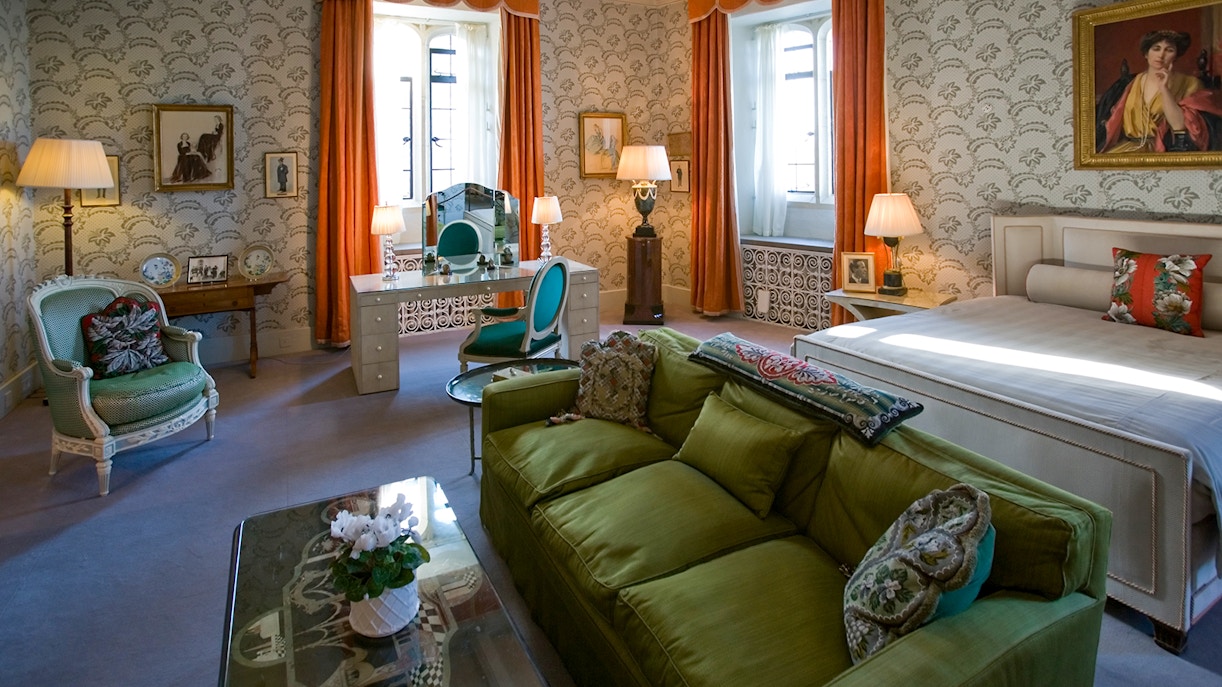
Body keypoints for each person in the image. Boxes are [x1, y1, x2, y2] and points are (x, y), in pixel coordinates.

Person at [1096, 29, 1222, 153]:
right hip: (1126, 150)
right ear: (1146, 54)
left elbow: (1179, 126)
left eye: (1169, 50)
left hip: (1161, 150)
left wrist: (1164, 88)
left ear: (1176, 56)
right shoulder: (1128, 84)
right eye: (1156, 49)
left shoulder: (1189, 83)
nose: (1161, 55)